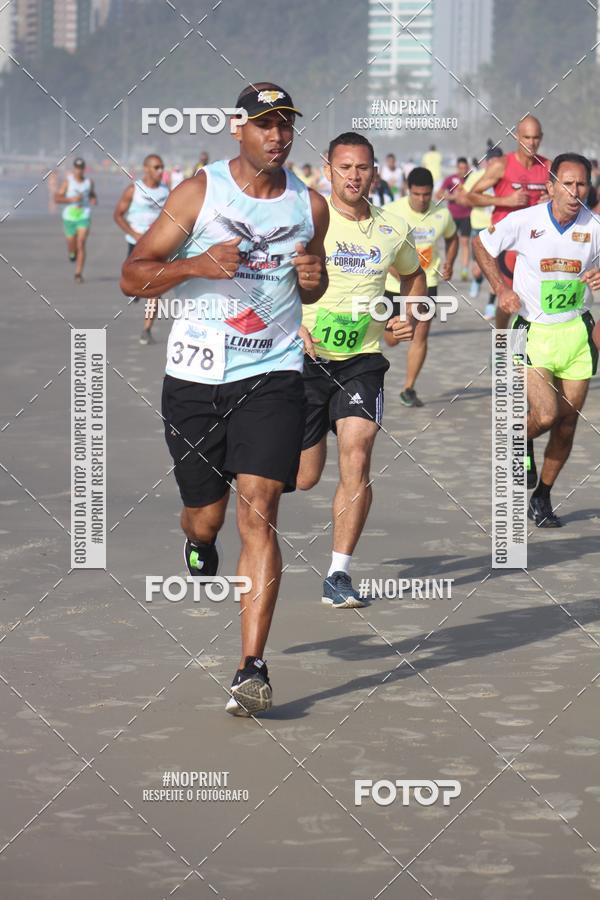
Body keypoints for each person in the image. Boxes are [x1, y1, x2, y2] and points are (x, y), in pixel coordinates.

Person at [121, 82, 329, 716]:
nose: (277, 135)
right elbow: (134, 274)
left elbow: (312, 288)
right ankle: (199, 542)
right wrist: (195, 265)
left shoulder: (308, 206)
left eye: (286, 124)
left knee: (260, 509)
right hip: (195, 377)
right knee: (207, 519)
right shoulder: (200, 192)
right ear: (238, 129)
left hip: (272, 373)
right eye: (265, 124)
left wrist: (314, 282)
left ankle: (251, 666)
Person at [296, 132, 425, 607]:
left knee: (358, 452)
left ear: (375, 172)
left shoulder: (391, 229)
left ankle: (338, 574)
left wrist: (408, 314)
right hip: (305, 361)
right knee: (306, 476)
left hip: (363, 363)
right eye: (345, 167)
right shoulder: (309, 222)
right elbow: (267, 278)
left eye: (362, 167)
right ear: (328, 170)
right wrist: (291, 325)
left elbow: (414, 276)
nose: (354, 175)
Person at [474, 153, 599, 526]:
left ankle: (541, 497)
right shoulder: (525, 221)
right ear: (551, 186)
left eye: (582, 184)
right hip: (532, 332)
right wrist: (500, 287)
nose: (575, 191)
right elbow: (481, 245)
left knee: (566, 423)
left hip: (576, 333)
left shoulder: (595, 226)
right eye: (568, 183)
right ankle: (517, 437)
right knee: (546, 413)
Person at [464, 115, 550, 330]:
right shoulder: (502, 165)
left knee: (535, 299)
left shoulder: (548, 165)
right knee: (510, 298)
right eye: (526, 137)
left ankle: (531, 349)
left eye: (536, 138)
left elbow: (565, 197)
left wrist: (552, 199)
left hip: (537, 242)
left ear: (541, 138)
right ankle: (502, 344)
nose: (531, 143)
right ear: (516, 137)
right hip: (506, 245)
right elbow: (471, 196)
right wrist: (505, 200)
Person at [384, 166, 458, 407]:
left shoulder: (441, 214)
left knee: (419, 333)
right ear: (408, 190)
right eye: (417, 194)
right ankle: (390, 334)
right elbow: (381, 247)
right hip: (392, 284)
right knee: (393, 338)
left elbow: (452, 237)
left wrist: (449, 262)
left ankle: (408, 388)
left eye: (426, 194)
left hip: (426, 283)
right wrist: (397, 271)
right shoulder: (391, 212)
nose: (422, 199)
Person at [113, 154, 169, 344]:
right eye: (156, 167)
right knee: (133, 284)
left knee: (155, 290)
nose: (160, 171)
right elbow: (118, 215)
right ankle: (136, 290)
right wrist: (135, 234)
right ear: (146, 169)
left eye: (162, 167)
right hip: (135, 244)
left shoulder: (165, 192)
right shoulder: (133, 190)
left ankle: (147, 329)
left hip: (156, 246)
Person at [460, 147, 503, 314]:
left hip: (497, 228)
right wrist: (481, 200)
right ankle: (477, 280)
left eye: (498, 162)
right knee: (478, 269)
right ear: (486, 162)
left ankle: (491, 303)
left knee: (496, 267)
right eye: (491, 162)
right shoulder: (477, 177)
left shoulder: (505, 177)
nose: (494, 165)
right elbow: (463, 198)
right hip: (478, 226)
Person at [55, 157, 97, 282]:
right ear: (74, 169)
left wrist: (93, 198)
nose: (79, 171)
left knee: (81, 243)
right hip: (69, 217)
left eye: (81, 168)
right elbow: (57, 198)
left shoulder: (89, 182)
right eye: (77, 168)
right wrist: (70, 200)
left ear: (84, 169)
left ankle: (78, 274)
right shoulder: (67, 182)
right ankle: (72, 253)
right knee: (72, 245)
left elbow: (92, 194)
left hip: (84, 215)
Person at [437, 157, 471, 280]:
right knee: (450, 242)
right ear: (457, 168)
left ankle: (465, 270)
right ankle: (448, 266)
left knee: (464, 242)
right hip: (452, 215)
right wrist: (452, 197)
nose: (463, 170)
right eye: (461, 168)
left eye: (465, 168)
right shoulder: (450, 179)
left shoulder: (471, 179)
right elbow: (438, 194)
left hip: (467, 215)